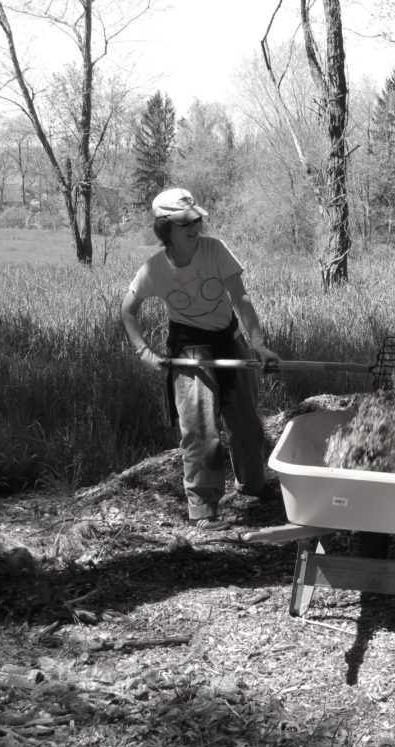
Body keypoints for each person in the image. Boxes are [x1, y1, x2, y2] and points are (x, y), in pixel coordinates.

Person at [120, 188, 281, 531]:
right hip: (190, 350)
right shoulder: (153, 270)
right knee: (200, 430)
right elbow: (128, 310)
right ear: (165, 228)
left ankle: (253, 484)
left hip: (230, 340)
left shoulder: (215, 250)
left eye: (196, 219)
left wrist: (259, 345)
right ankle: (204, 507)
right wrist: (144, 353)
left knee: (247, 423)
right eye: (184, 223)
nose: (195, 226)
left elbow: (241, 297)